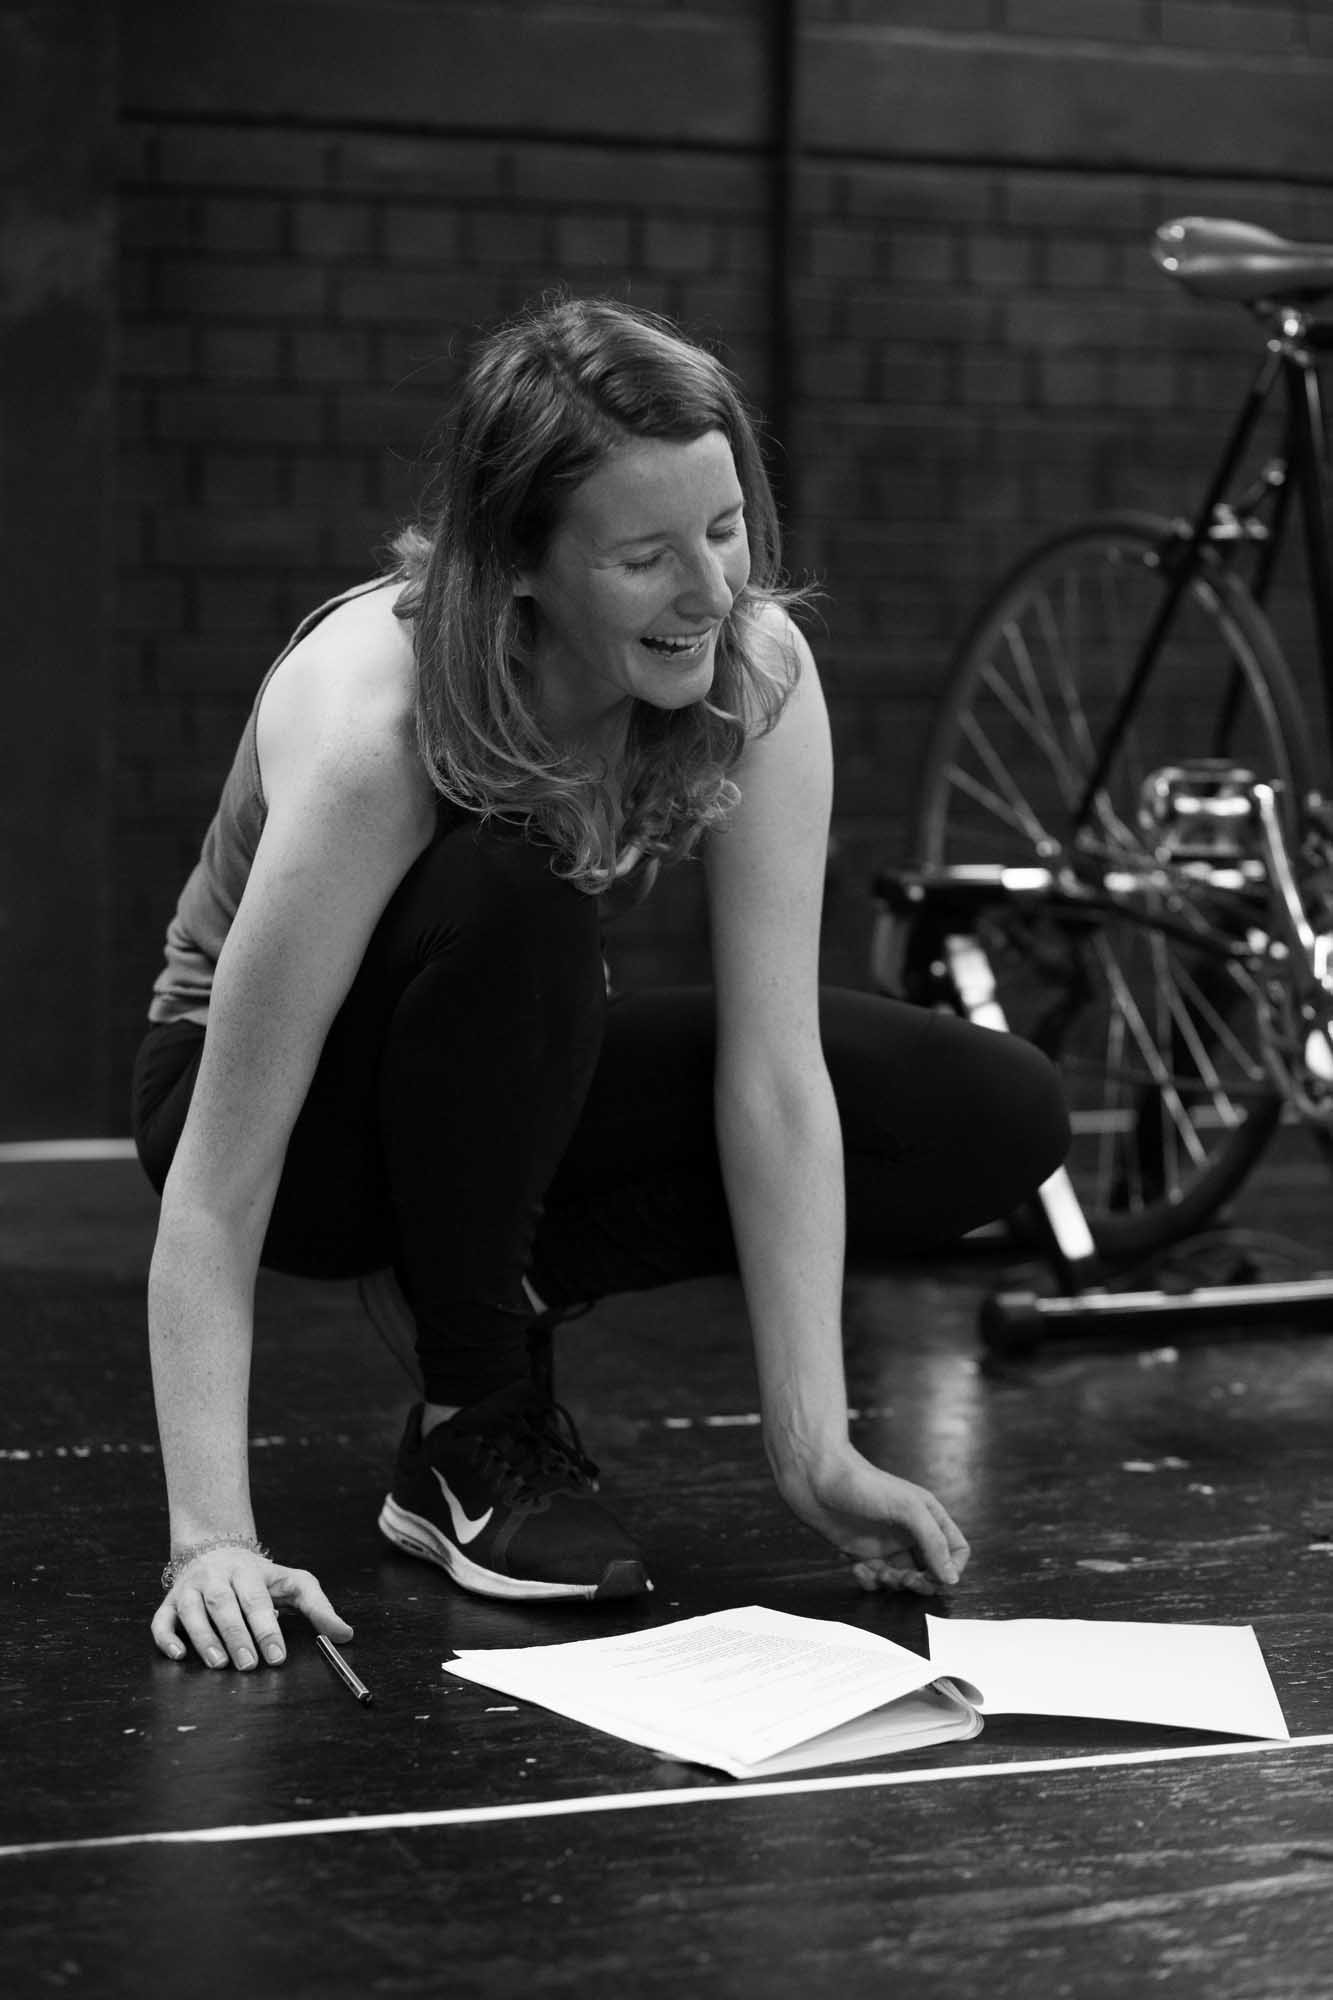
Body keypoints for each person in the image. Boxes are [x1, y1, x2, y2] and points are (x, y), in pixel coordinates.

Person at [133, 295, 1068, 1673]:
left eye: (724, 529)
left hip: (481, 1080)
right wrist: (209, 1536)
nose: (709, 592)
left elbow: (774, 1076)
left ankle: (485, 1292)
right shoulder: (382, 731)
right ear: (517, 563)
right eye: (644, 557)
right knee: (517, 901)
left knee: (985, 1114)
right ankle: (470, 1425)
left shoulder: (753, 669)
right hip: (280, 1117)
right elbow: (218, 1185)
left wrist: (812, 1447)